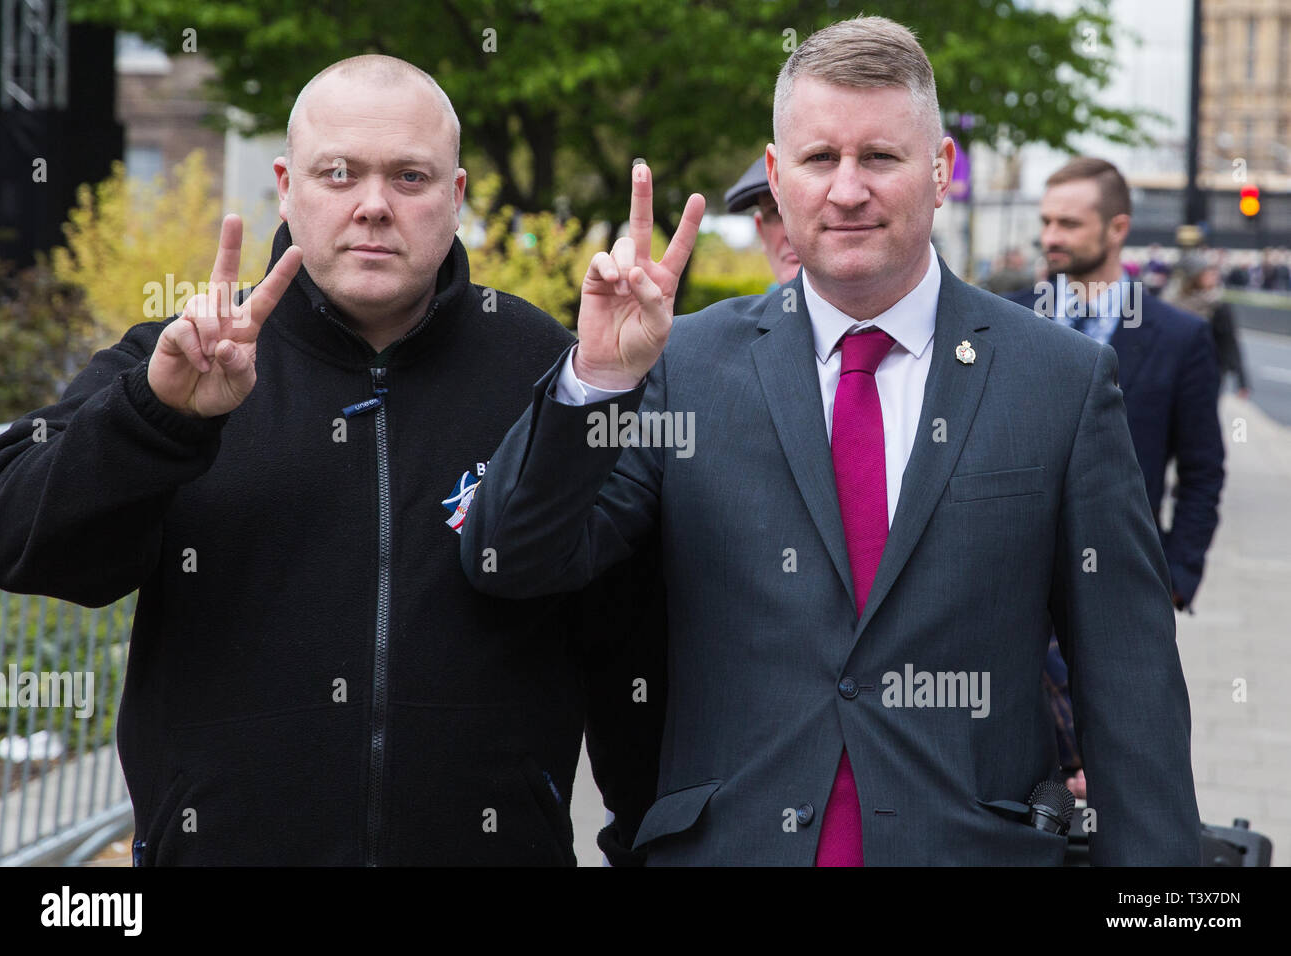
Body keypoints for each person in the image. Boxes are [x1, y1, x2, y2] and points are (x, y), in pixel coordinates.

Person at [462, 16, 1201, 865]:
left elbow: (1131, 685)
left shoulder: (1062, 381)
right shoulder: (681, 366)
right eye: (819, 159)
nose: (847, 190)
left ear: (940, 172)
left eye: (880, 157)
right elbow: (510, 562)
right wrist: (595, 380)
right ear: (777, 179)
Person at [0, 54, 657, 865]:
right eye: (338, 173)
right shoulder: (180, 361)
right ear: (285, 184)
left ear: (456, 194)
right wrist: (156, 420)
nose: (373, 206)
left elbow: (627, 644)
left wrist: (643, 846)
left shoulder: (553, 370)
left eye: (409, 177)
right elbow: (19, 538)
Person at [1009, 158, 1225, 800]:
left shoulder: (1180, 336)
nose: (1051, 236)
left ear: (1118, 228)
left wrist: (1175, 581)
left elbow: (1204, 470)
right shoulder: (1004, 319)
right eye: (1046, 221)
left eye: (1069, 224)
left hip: (1118, 585)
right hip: (1009, 576)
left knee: (1116, 768)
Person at [1172, 263, 1250, 398]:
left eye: (1215, 275)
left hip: (1211, 367)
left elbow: (1229, 341)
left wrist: (1241, 380)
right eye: (1209, 275)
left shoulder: (1219, 305)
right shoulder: (1178, 303)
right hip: (1181, 365)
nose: (1214, 278)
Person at [724, 156, 801, 287]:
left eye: (801, 211)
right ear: (761, 231)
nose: (789, 235)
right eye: (774, 212)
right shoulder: (765, 305)